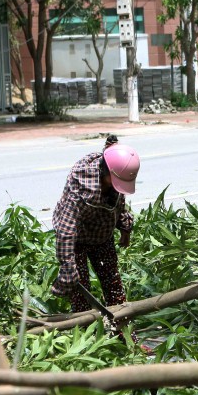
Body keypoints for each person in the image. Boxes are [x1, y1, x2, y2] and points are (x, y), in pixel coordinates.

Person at [52, 135, 140, 332]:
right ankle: (86, 336)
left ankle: (124, 336)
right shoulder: (81, 188)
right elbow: (66, 231)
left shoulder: (115, 173)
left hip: (102, 236)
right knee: (80, 290)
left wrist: (125, 228)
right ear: (105, 172)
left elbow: (119, 204)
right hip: (76, 240)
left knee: (114, 285)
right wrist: (68, 266)